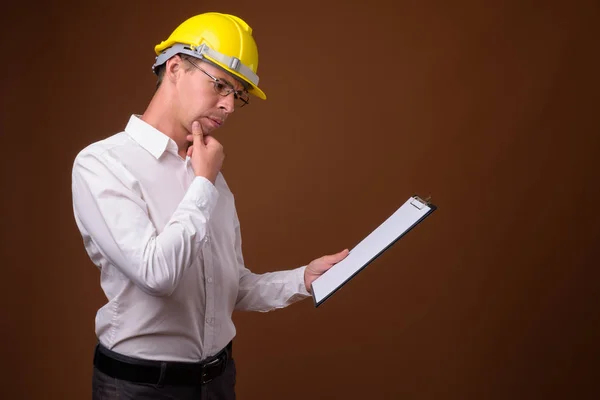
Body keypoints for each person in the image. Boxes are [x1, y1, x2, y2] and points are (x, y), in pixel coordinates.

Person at [70, 11, 349, 400]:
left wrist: (302, 279)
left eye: (237, 95)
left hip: (217, 382)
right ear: (175, 67)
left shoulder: (205, 168)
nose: (229, 106)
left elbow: (228, 287)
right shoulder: (102, 164)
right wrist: (203, 182)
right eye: (220, 85)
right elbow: (157, 274)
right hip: (139, 389)